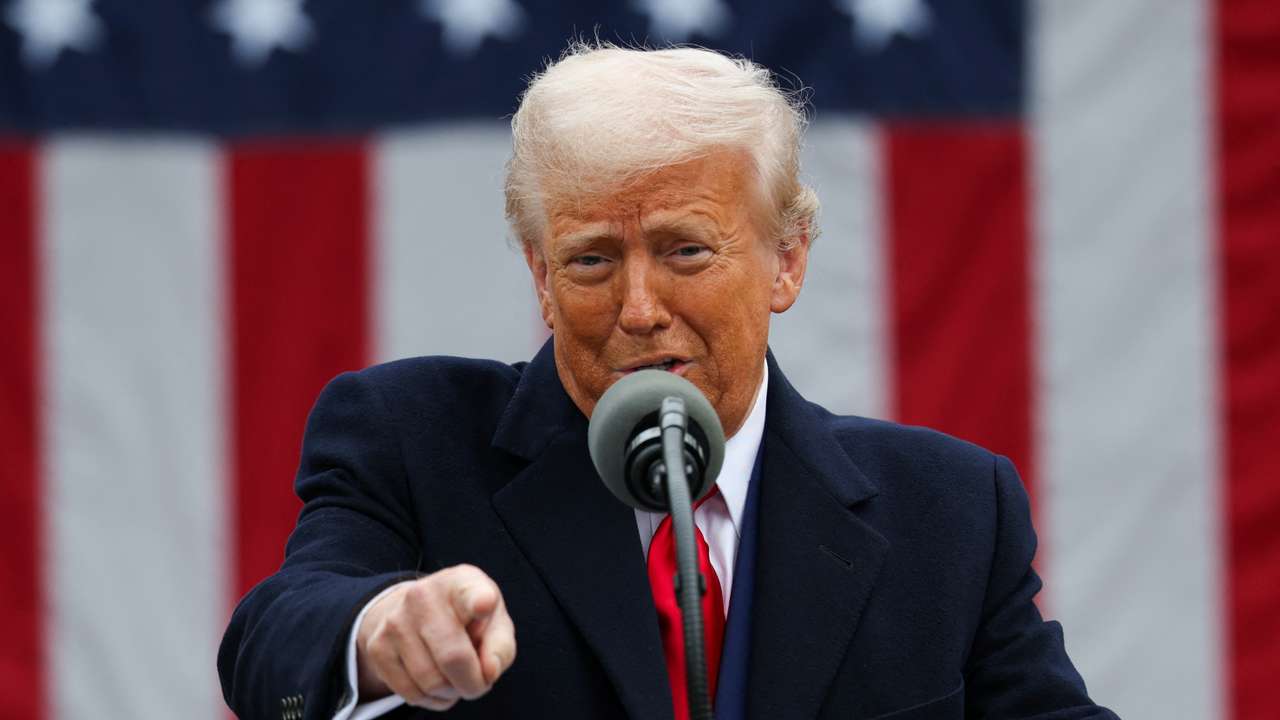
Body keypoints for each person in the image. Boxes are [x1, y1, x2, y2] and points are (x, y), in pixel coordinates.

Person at [218, 43, 1117, 720]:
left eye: (686, 250)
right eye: (592, 260)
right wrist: (377, 630)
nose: (639, 308)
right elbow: (275, 638)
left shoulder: (950, 511)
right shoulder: (411, 440)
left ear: (787, 262)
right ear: (540, 275)